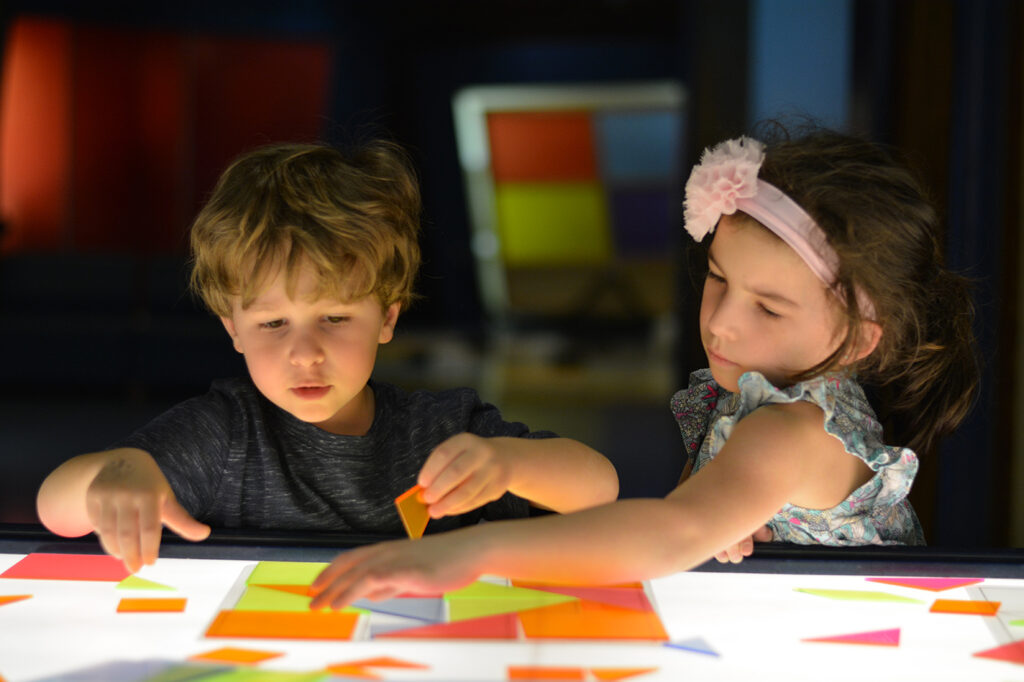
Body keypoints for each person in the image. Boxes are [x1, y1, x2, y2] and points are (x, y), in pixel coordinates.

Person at [307, 127, 979, 608]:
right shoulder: (750, 399)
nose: (721, 322)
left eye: (768, 309)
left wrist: (470, 552)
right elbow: (690, 522)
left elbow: (671, 532)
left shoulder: (795, 430)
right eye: (718, 280)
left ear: (862, 339)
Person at [36, 140, 618, 573]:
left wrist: (508, 464)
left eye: (335, 318)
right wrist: (115, 473)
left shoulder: (441, 432)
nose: (305, 353)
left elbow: (600, 489)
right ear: (232, 328)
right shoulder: (222, 435)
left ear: (387, 317)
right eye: (272, 323)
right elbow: (56, 508)